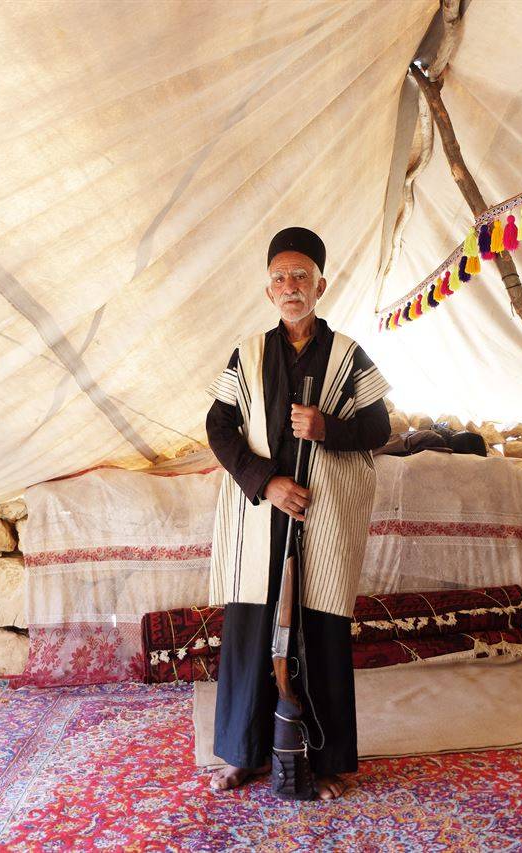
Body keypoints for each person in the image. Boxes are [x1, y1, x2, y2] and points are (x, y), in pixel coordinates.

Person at [205, 226, 391, 799]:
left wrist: (326, 428)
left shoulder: (348, 355)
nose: (291, 287)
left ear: (321, 286)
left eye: (301, 277)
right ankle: (244, 754)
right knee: (251, 630)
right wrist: (268, 482)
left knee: (322, 630)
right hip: (262, 510)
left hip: (323, 516)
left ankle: (328, 761)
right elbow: (218, 426)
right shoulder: (248, 352)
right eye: (281, 278)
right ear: (268, 291)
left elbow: (381, 428)